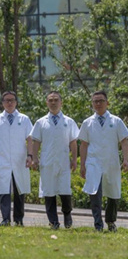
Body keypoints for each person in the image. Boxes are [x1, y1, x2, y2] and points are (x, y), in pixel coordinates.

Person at [78, 90, 128, 232]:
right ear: (92, 104)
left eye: (101, 101)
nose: (98, 104)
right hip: (93, 162)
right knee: (94, 193)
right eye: (95, 101)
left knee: (113, 193)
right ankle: (98, 224)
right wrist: (82, 164)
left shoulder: (116, 121)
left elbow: (124, 141)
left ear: (107, 103)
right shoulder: (87, 123)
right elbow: (84, 144)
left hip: (111, 161)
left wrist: (126, 159)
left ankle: (111, 221)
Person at [30, 91, 79, 230]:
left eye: (56, 100)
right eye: (50, 100)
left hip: (63, 161)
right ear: (46, 103)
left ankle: (67, 214)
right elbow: (36, 141)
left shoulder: (69, 122)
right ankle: (53, 221)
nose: (53, 102)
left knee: (65, 191)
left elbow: (73, 142)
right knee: (49, 192)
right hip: (47, 161)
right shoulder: (41, 122)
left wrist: (74, 159)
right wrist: (34, 157)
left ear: (61, 102)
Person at [0, 91, 33, 227]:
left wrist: (30, 155)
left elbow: (30, 139)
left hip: (20, 159)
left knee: (19, 190)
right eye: (6, 100)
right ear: (2, 103)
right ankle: (5, 219)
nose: (9, 103)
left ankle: (19, 219)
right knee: (4, 190)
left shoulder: (24, 119)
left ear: (16, 102)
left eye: (12, 100)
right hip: (3, 159)